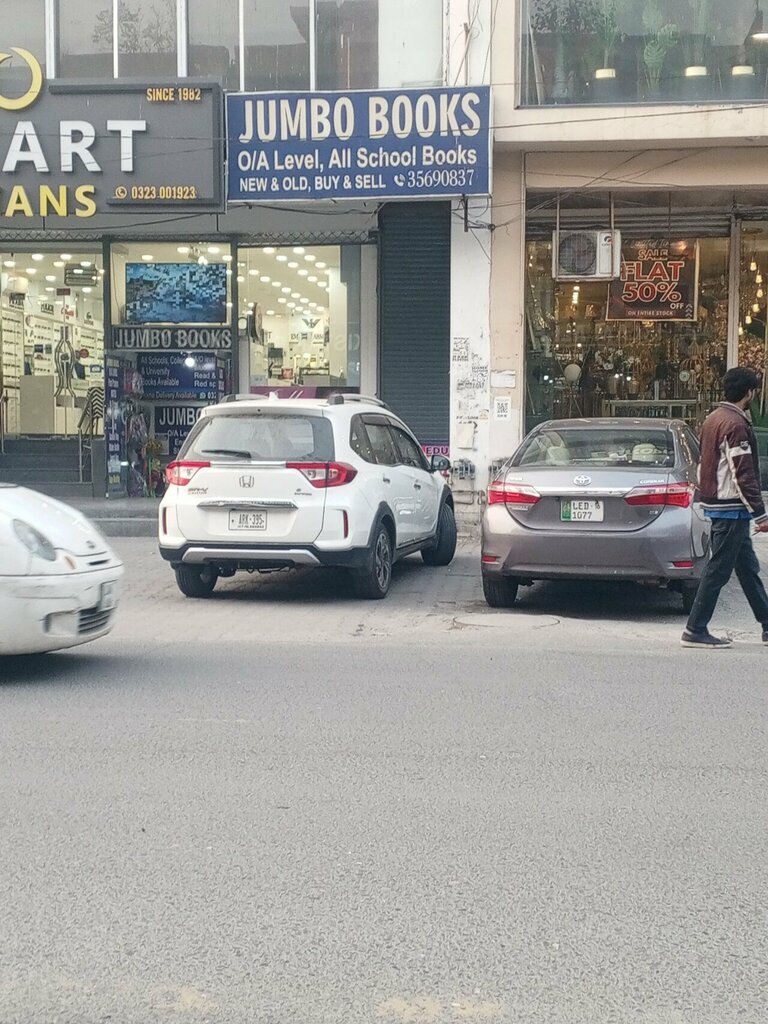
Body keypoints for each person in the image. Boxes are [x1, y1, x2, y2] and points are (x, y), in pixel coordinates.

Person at [682, 367, 768, 649]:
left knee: (747, 568)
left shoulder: (713, 419)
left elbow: (702, 463)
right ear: (749, 393)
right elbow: (742, 472)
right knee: (718, 570)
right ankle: (695, 629)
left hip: (722, 506)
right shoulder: (736, 425)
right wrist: (760, 512)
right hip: (731, 508)